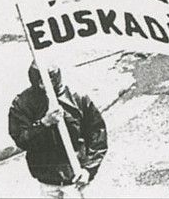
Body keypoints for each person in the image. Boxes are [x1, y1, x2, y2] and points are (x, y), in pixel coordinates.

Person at [9, 64, 108, 196]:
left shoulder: (78, 98)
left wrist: (88, 169)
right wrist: (44, 123)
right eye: (39, 82)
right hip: (47, 181)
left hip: (76, 178)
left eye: (48, 81)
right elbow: (21, 139)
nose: (43, 86)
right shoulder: (23, 103)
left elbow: (97, 134)